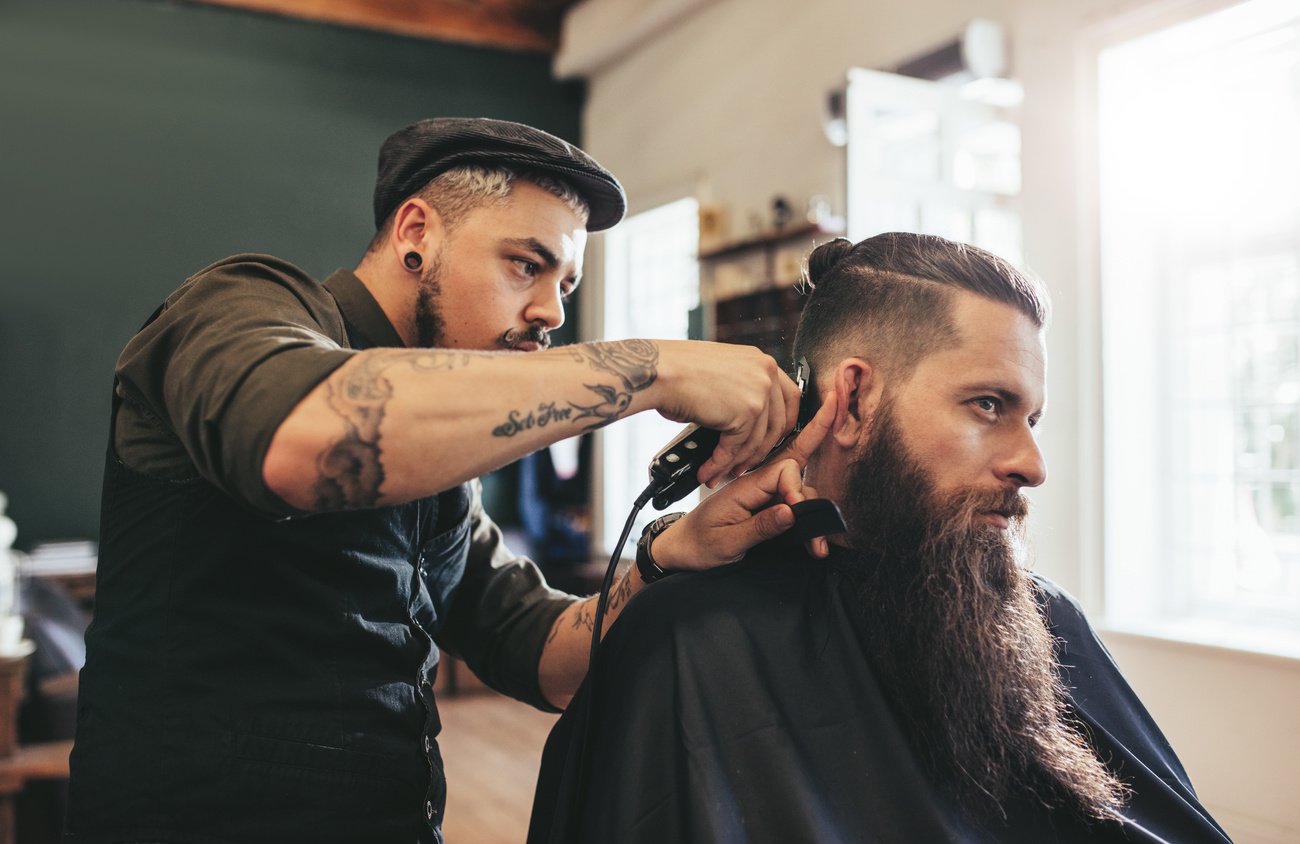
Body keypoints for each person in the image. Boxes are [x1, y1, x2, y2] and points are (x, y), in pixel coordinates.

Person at [65, 117, 818, 844]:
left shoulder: (445, 478)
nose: (551, 309)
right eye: (527, 264)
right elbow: (303, 441)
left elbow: (542, 653)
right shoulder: (237, 303)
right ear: (417, 233)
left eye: (566, 280)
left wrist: (666, 555)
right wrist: (654, 367)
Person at [528, 232, 1233, 844]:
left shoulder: (1047, 622)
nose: (1032, 464)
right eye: (989, 405)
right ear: (855, 399)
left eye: (1033, 419)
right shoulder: (690, 640)